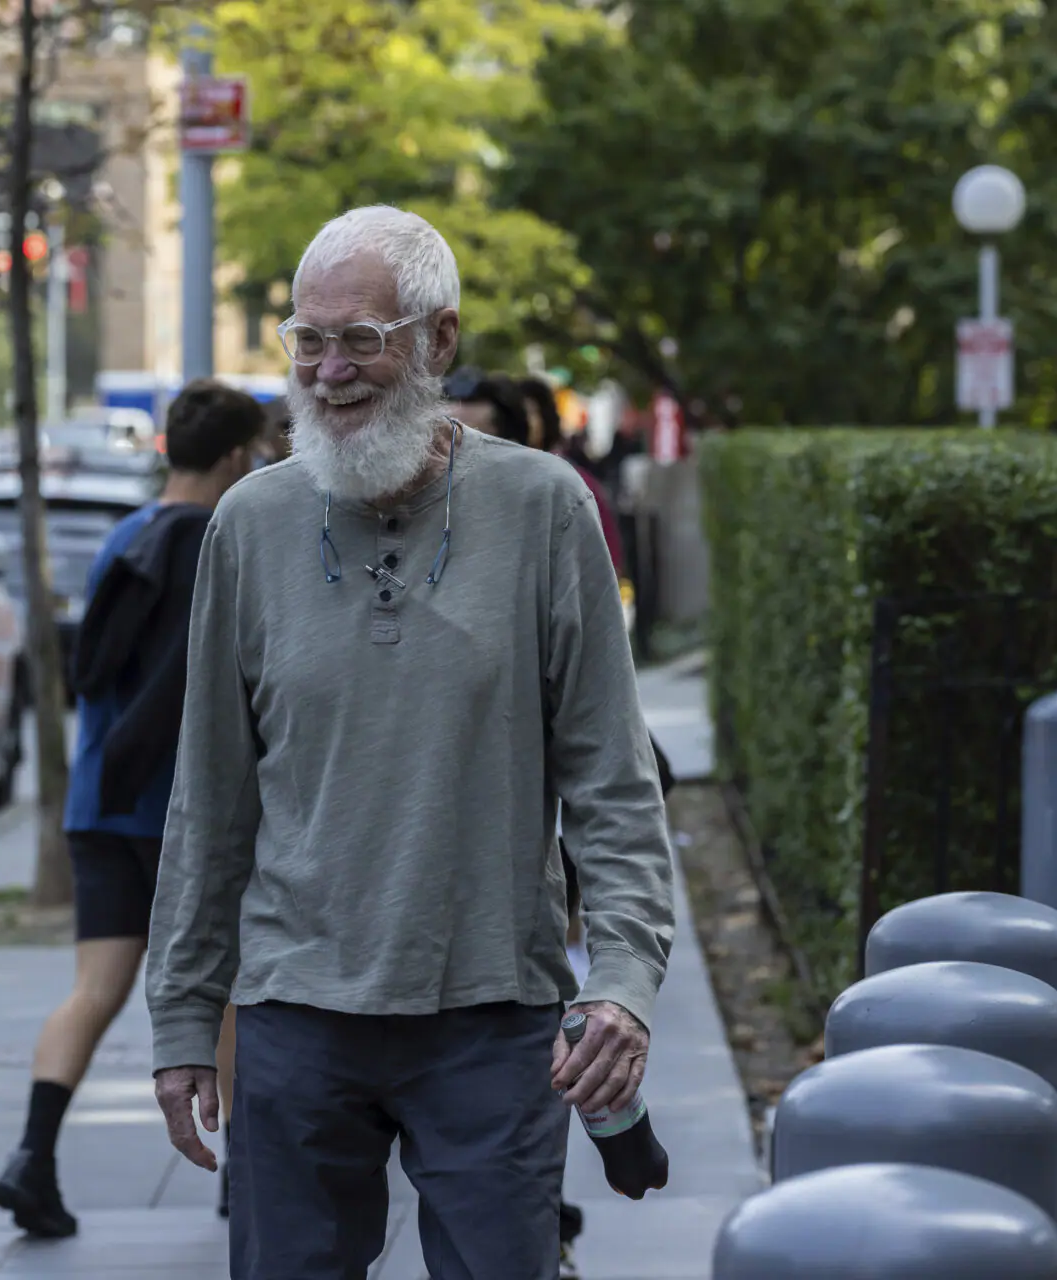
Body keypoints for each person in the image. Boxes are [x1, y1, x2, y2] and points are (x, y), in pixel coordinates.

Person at [146, 206, 675, 1280]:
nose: (329, 370)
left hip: (491, 1004)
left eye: (361, 340)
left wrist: (621, 977)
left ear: (436, 340)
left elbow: (611, 781)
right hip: (296, 1011)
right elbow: (210, 797)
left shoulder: (545, 509)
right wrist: (184, 1013)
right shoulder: (248, 524)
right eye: (308, 339)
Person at [0, 378, 270, 1238]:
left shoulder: (125, 535)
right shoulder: (218, 539)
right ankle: (246, 1182)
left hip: (96, 803)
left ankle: (32, 1157)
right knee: (221, 986)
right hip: (174, 810)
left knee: (94, 990)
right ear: (232, 457)